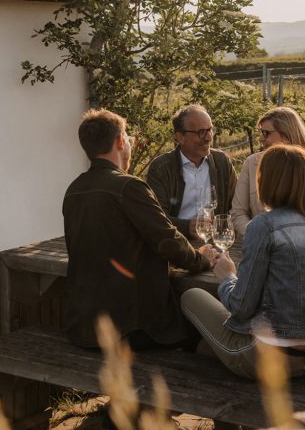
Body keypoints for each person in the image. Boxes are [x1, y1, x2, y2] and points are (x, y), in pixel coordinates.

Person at [180, 145, 305, 379]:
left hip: (264, 358)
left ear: (266, 181)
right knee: (204, 351)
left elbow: (241, 306)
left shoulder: (263, 226)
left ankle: (167, 399)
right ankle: (225, 412)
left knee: (190, 295)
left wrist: (227, 277)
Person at [62, 108, 216, 350]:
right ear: (120, 141)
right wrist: (202, 260)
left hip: (84, 326)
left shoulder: (74, 189)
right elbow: (169, 243)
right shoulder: (129, 187)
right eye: (128, 138)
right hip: (132, 328)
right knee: (205, 336)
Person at [230, 106, 305, 238]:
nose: (261, 138)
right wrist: (259, 236)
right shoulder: (251, 163)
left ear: (286, 135)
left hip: (299, 244)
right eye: (260, 132)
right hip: (259, 245)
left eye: (266, 133)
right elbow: (238, 212)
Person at [147, 105, 237, 238]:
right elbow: (155, 219)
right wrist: (186, 227)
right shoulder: (161, 169)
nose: (208, 137)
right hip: (177, 243)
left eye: (210, 130)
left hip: (215, 242)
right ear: (180, 137)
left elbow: (235, 207)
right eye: (201, 132)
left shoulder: (221, 162)